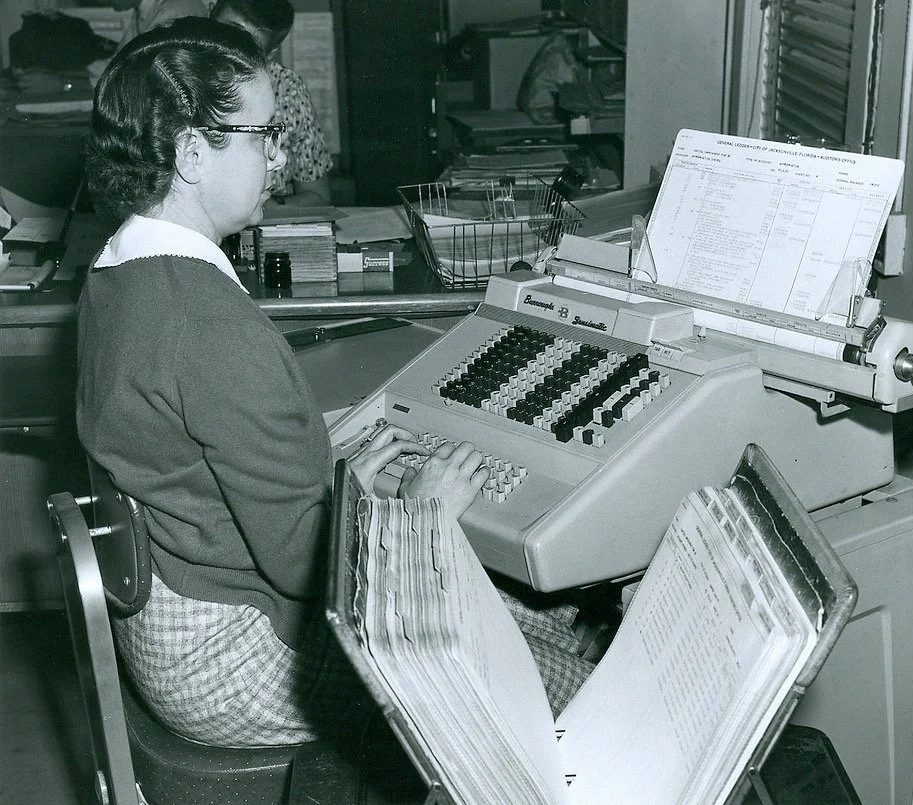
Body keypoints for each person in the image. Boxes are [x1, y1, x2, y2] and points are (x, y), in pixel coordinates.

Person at [77, 18, 590, 749]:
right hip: (237, 660)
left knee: (524, 623)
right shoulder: (205, 322)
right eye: (263, 134)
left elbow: (212, 468)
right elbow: (303, 564)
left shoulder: (116, 275)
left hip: (172, 626)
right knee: (563, 693)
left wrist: (332, 477)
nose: (280, 154)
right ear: (193, 153)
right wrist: (416, 511)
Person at [210, 0, 332, 206]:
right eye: (220, 36)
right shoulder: (175, 82)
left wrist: (268, 209)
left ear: (268, 53)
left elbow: (317, 195)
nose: (226, 54)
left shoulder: (287, 88)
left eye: (246, 49)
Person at [13, 0, 207, 96]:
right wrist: (52, 75)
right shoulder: (146, 10)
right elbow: (115, 66)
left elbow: (138, 82)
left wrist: (63, 85)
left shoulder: (178, 10)